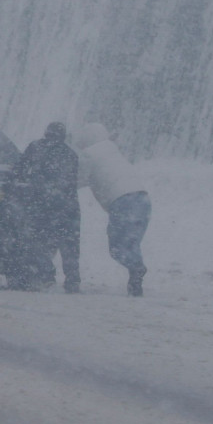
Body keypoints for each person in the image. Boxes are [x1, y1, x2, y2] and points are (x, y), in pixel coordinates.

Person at [72, 123, 150, 296]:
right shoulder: (112, 149)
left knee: (117, 248)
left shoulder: (89, 155)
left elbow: (78, 180)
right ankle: (135, 283)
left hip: (122, 201)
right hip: (142, 198)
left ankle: (137, 269)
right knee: (131, 243)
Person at [11, 122, 81, 292]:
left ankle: (47, 275)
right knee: (69, 245)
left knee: (37, 240)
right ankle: (72, 280)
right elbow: (72, 182)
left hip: (41, 204)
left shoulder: (35, 147)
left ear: (46, 133)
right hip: (67, 206)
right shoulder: (71, 154)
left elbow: (19, 170)